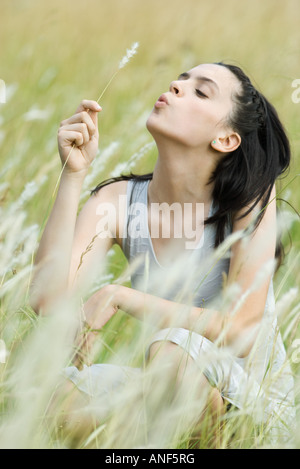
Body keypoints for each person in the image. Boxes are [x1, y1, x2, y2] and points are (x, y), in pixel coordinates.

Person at [31, 62, 295, 446]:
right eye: (181, 79)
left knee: (172, 348)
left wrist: (119, 295)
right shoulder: (118, 201)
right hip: (163, 386)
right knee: (54, 399)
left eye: (200, 91)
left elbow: (242, 331)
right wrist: (72, 175)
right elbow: (45, 300)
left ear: (225, 138)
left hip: (249, 402)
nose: (176, 85)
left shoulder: (249, 197)